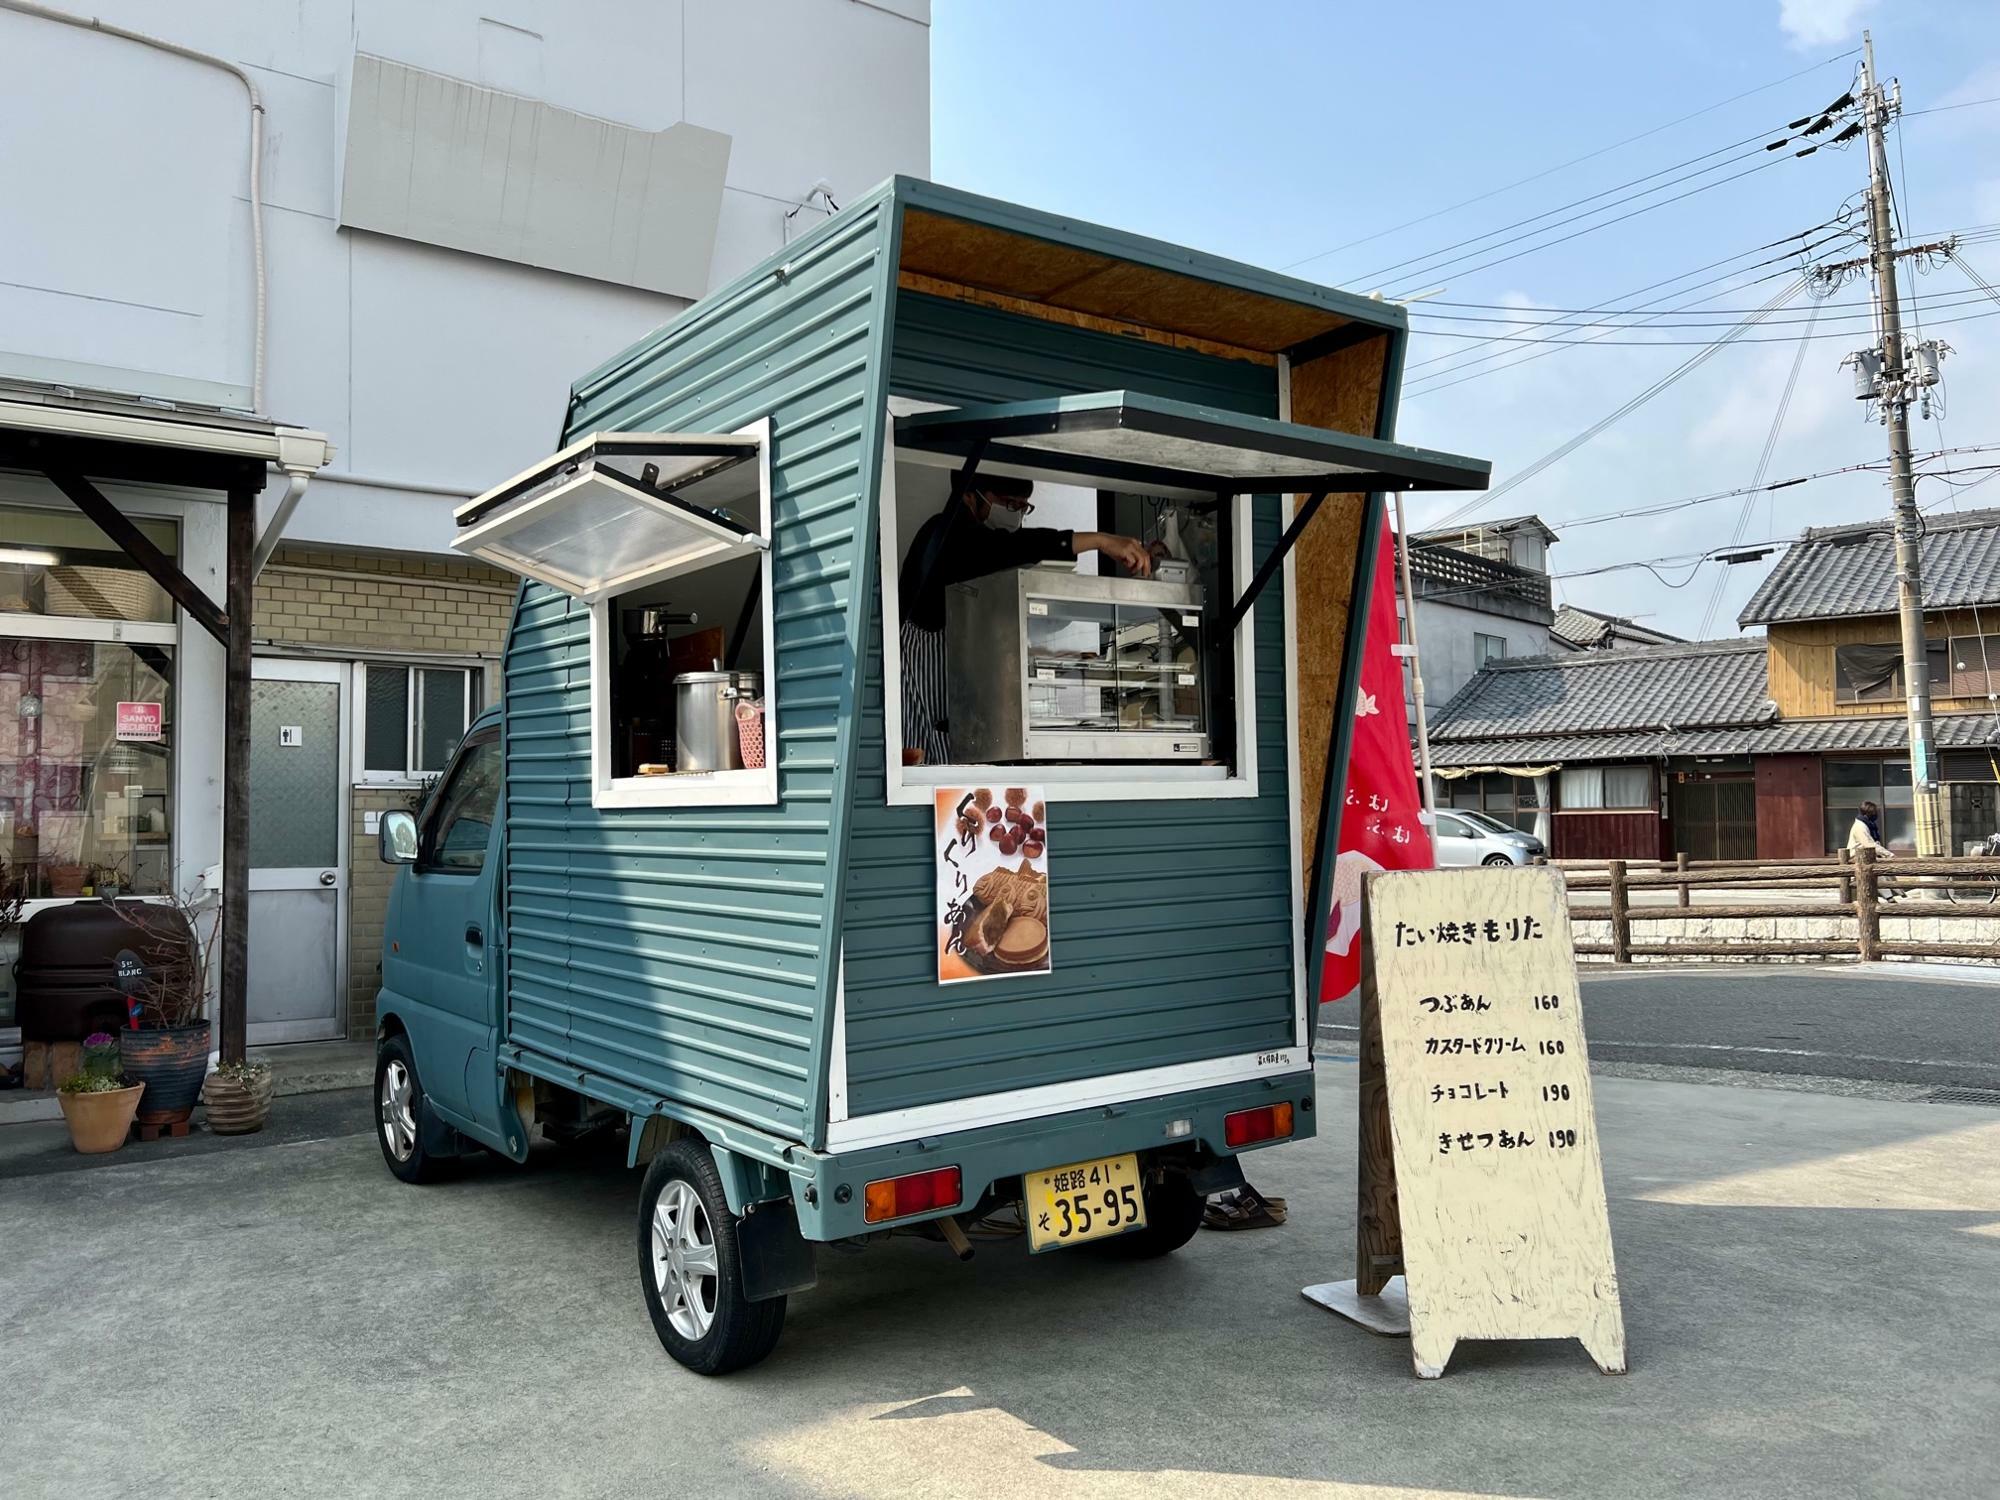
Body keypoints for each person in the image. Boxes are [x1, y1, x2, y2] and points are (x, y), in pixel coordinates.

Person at [897, 473, 1155, 764]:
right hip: (922, 709)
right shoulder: (944, 534)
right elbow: (1006, 547)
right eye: (1009, 505)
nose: (1017, 515)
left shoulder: (978, 550)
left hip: (958, 721)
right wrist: (1099, 540)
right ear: (970, 494)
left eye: (1023, 508)